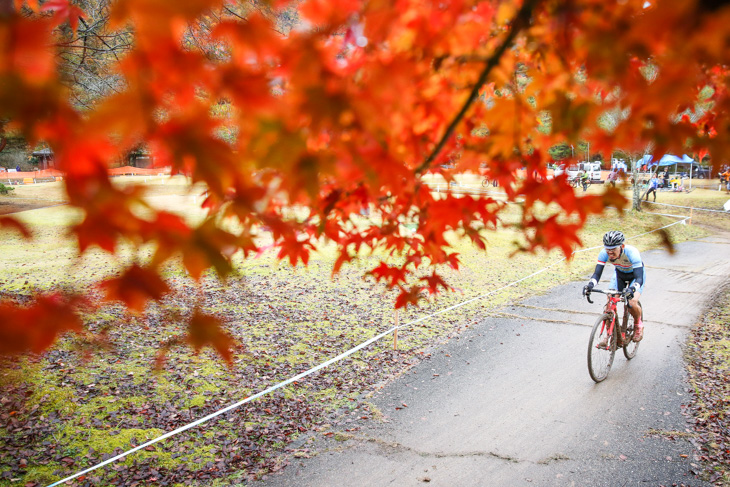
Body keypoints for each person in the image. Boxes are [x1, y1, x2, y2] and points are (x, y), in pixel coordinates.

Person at [583, 231, 645, 345]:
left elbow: (639, 278)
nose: (610, 253)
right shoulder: (603, 253)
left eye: (613, 250)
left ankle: (638, 325)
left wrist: (632, 289)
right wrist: (590, 285)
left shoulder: (632, 253)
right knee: (609, 304)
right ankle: (609, 335)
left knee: (631, 302)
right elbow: (597, 274)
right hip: (619, 275)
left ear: (622, 246)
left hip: (635, 277)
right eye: (608, 250)